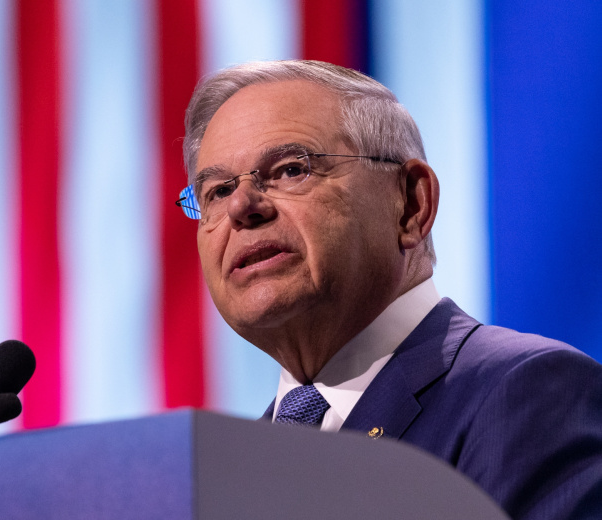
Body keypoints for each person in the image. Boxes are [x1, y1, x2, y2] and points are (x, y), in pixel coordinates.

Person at [175, 60, 602, 520]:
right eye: (217, 192)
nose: (241, 206)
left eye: (291, 169)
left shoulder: (525, 393)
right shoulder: (225, 479)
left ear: (411, 205)